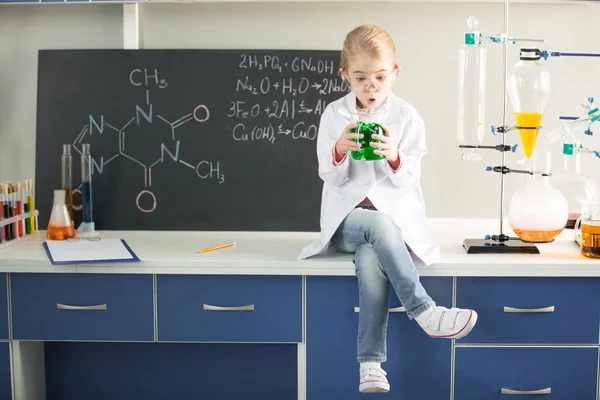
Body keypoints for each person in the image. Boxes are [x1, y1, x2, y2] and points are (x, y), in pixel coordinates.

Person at [298, 24, 478, 394]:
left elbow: (410, 177)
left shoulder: (407, 117)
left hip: (390, 232)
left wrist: (394, 156)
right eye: (360, 78)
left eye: (380, 77)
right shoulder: (335, 115)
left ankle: (370, 364)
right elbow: (328, 176)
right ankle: (425, 310)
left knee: (370, 259)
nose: (371, 87)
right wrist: (340, 150)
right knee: (375, 225)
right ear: (344, 73)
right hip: (346, 222)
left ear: (394, 72)